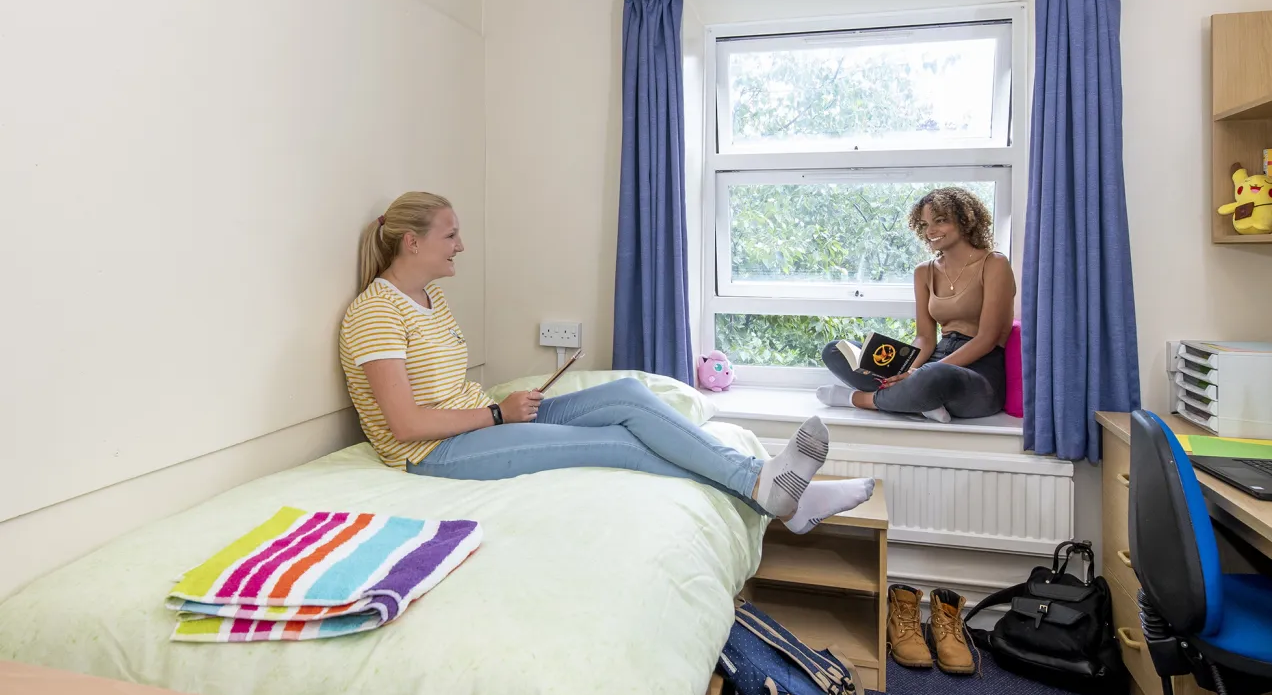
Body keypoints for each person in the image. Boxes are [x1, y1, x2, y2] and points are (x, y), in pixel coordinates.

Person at [340, 191, 875, 534]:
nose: (461, 245)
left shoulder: (430, 299)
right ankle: (767, 491)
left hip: (482, 419)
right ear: (412, 242)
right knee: (622, 444)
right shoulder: (375, 313)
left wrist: (503, 410)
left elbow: (450, 393)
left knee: (630, 398)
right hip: (434, 450)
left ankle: (774, 490)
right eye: (450, 234)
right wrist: (498, 415)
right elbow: (405, 423)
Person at [817, 187, 1016, 423]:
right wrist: (903, 371)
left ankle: (859, 399)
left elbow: (987, 338)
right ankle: (919, 403)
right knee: (837, 349)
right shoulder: (924, 271)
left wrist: (918, 375)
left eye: (940, 221)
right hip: (935, 358)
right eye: (923, 225)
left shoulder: (994, 263)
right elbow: (925, 338)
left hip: (978, 371)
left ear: (966, 220)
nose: (930, 231)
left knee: (934, 376)